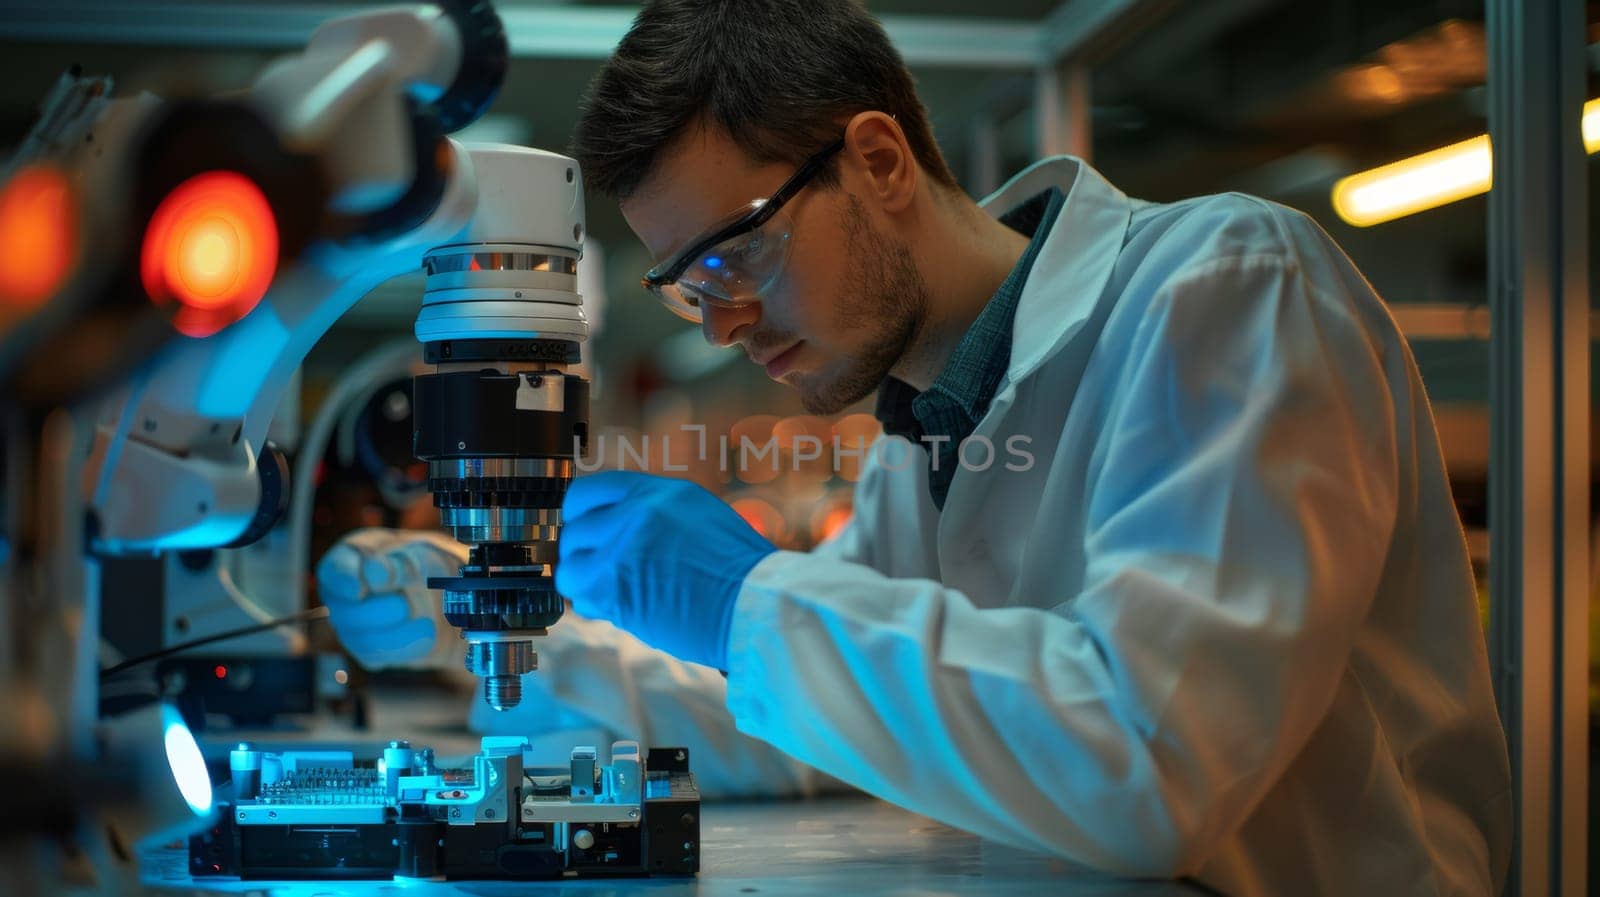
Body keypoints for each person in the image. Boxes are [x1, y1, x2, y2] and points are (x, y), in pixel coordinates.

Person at [318, 1, 1513, 893]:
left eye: (734, 258)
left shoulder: (1226, 288)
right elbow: (811, 717)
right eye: (688, 288)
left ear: (879, 160)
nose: (724, 322)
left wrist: (742, 595)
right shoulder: (922, 425)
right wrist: (488, 624)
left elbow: (1150, 762)